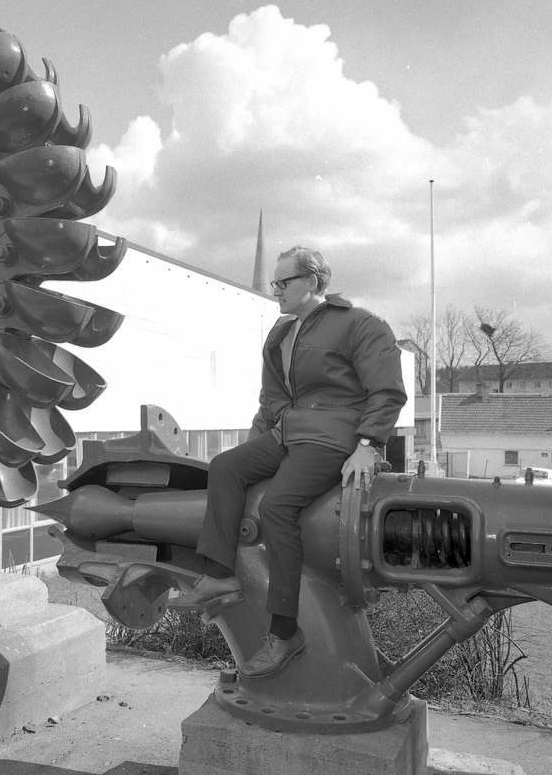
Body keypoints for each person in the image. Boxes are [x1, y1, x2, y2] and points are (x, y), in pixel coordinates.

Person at [174, 246, 407, 678]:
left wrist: (369, 445)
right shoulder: (281, 334)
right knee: (226, 467)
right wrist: (254, 445)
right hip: (287, 434)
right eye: (274, 283)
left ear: (314, 283)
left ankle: (284, 634)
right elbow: (272, 401)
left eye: (284, 282)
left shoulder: (361, 324)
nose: (275, 290)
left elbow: (387, 390)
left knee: (277, 507)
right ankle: (220, 574)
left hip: (334, 438)